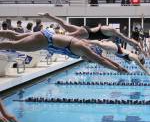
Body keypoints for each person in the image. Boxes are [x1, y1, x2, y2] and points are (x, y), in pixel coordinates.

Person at [0, 28, 128, 73]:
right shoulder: (83, 48)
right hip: (44, 41)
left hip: (45, 36)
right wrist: (116, 69)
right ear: (91, 54)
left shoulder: (86, 47)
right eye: (90, 61)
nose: (88, 61)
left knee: (15, 38)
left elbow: (102, 58)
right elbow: (100, 60)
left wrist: (119, 66)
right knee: (13, 45)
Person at [38, 13, 142, 52]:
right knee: (67, 36)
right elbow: (125, 39)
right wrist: (133, 43)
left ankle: (49, 16)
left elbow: (101, 31)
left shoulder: (107, 30)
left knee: (65, 25)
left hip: (85, 30)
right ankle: (49, 35)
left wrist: (133, 44)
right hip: (87, 32)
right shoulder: (112, 30)